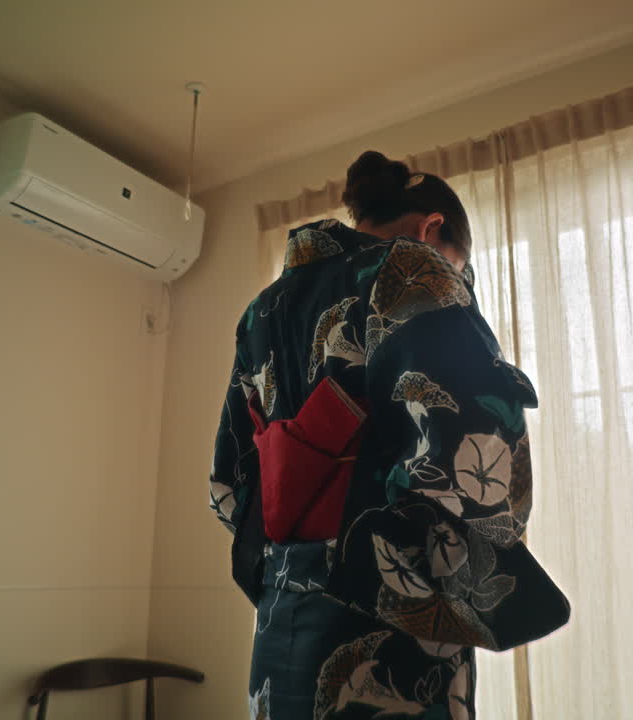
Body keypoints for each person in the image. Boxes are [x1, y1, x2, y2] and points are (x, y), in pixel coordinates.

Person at [210, 151, 569, 720]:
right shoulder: (415, 275)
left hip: (281, 615)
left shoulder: (263, 309)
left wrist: (292, 562)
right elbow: (476, 445)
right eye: (458, 266)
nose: (456, 279)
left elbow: (230, 482)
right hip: (387, 611)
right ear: (433, 231)